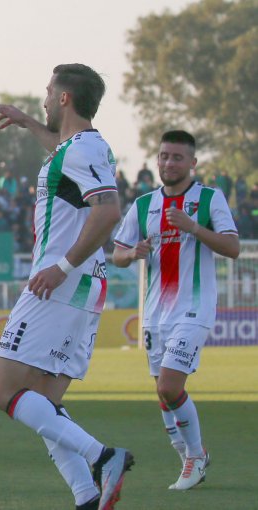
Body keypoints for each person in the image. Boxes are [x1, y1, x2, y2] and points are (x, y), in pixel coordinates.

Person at [0, 64, 133, 510]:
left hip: (58, 283)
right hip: (82, 286)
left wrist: (63, 266)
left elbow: (108, 212)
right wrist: (30, 123)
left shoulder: (82, 149)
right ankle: (86, 495)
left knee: (6, 392)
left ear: (65, 99)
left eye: (49, 93)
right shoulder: (83, 146)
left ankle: (103, 456)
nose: (45, 98)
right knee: (44, 404)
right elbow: (62, 150)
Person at [113, 130, 239, 490]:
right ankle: (186, 455)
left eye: (178, 157)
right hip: (155, 312)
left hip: (193, 307)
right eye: (165, 156)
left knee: (170, 387)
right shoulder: (143, 204)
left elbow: (232, 248)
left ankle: (195, 456)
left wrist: (195, 228)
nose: (169, 163)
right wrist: (131, 252)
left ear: (193, 163)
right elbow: (118, 253)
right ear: (158, 160)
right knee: (162, 393)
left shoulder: (210, 198)